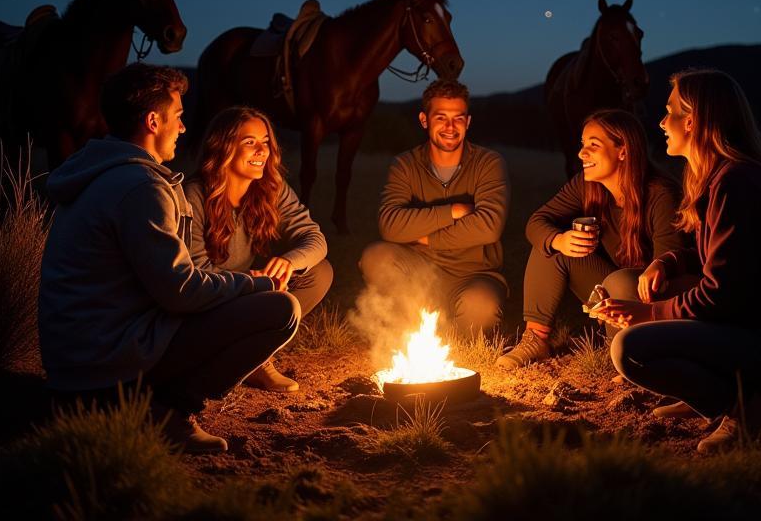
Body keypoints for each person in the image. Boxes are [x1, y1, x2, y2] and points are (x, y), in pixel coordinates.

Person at [38, 63, 301, 455]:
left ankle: (142, 400)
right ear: (152, 121)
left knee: (244, 300)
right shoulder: (140, 187)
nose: (182, 127)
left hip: (79, 358)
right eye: (177, 117)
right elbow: (181, 290)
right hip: (105, 363)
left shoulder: (102, 173)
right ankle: (165, 412)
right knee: (281, 309)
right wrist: (256, 283)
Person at [593, 69, 761, 452]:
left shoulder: (737, 183)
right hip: (758, 330)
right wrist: (668, 262)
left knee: (629, 348)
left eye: (669, 112)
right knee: (660, 303)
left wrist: (648, 314)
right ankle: (709, 391)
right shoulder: (721, 177)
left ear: (694, 120)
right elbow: (720, 256)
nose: (661, 121)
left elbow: (720, 294)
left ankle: (747, 410)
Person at [496, 108, 687, 369]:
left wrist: (632, 300)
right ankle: (536, 339)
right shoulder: (585, 186)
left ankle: (631, 353)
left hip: (653, 298)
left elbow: (669, 266)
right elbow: (536, 222)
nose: (581, 153)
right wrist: (560, 240)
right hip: (611, 286)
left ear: (623, 151)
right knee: (550, 245)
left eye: (593, 146)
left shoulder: (660, 194)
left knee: (619, 281)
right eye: (582, 144)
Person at [185, 106, 333, 393]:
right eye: (249, 142)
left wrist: (290, 261)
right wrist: (253, 285)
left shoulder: (270, 188)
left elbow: (315, 238)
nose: (261, 151)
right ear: (223, 146)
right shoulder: (195, 194)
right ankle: (227, 358)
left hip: (248, 290)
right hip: (209, 299)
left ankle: (256, 358)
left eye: (265, 142)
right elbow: (195, 273)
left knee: (319, 271)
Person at [359, 79, 509, 333]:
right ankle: (416, 323)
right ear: (424, 120)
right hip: (420, 270)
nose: (450, 127)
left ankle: (450, 328)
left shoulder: (488, 163)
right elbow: (390, 225)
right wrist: (454, 211)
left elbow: (489, 227)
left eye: (458, 118)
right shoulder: (405, 165)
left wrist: (427, 237)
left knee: (480, 309)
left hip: (474, 274)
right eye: (441, 118)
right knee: (376, 257)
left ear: (468, 122)